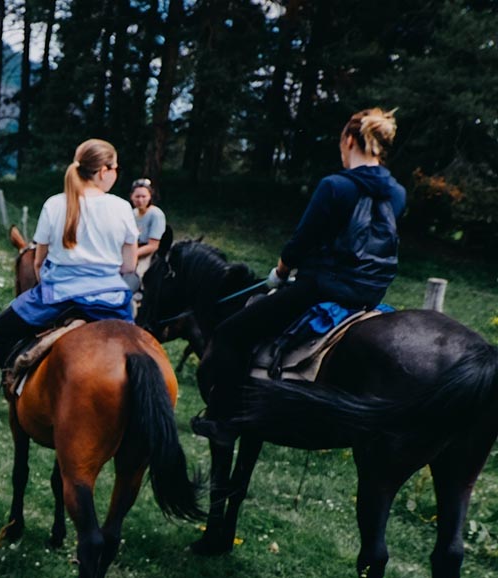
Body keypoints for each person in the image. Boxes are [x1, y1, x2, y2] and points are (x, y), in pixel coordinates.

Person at [192, 108, 405, 443]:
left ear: (349, 140)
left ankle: (224, 420)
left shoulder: (335, 186)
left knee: (231, 333)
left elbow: (302, 242)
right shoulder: (397, 193)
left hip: (322, 289)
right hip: (370, 295)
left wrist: (280, 271)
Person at [0, 139, 138, 424]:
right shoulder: (122, 208)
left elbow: (38, 261)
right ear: (102, 171)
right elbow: (129, 266)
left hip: (58, 297)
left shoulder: (55, 204)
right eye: (115, 168)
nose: (116, 173)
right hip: (111, 300)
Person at [127, 178, 166, 292]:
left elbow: (153, 245)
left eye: (144, 196)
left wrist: (132, 254)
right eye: (137, 196)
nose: (140, 200)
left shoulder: (156, 214)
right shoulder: (132, 213)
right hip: (132, 248)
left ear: (150, 197)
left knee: (139, 274)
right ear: (131, 197)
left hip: (148, 252)